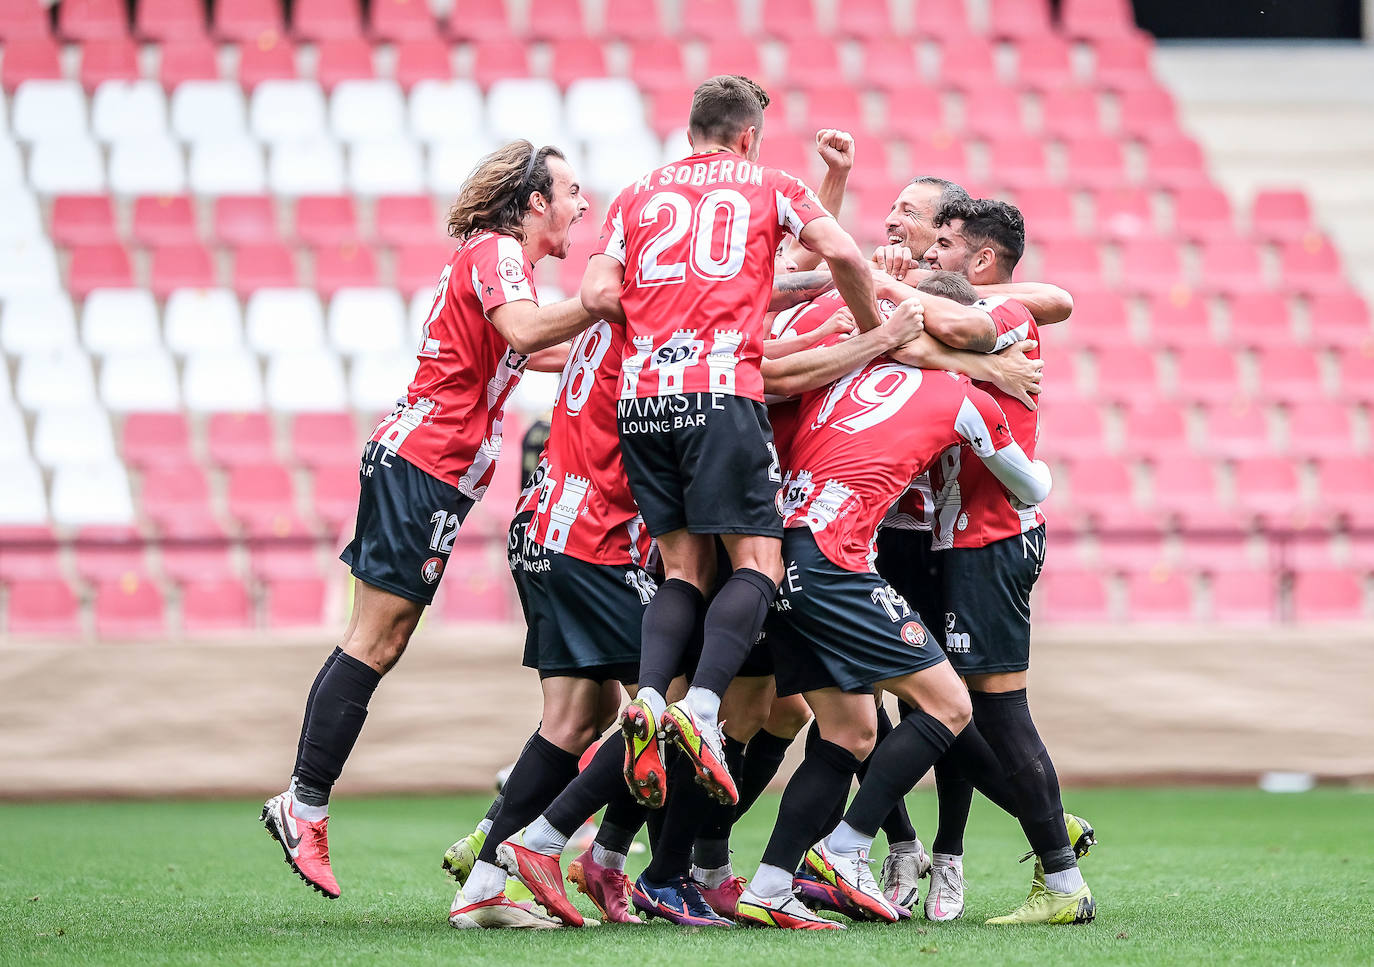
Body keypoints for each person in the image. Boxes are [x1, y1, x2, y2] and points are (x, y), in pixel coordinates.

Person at [260, 140, 594, 900]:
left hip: (431, 467)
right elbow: (526, 334)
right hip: (424, 462)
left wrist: (612, 338)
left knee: (382, 636)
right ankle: (304, 802)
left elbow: (534, 350)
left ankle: (304, 799)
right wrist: (614, 300)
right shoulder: (500, 252)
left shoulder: (496, 260)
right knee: (374, 637)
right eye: (573, 192)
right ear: (535, 202)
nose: (583, 206)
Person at [581, 75, 884, 814]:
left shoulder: (635, 195)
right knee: (758, 559)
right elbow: (842, 253)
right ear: (748, 135)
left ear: (692, 130)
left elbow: (593, 295)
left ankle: (650, 697)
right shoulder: (768, 183)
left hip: (642, 395)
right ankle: (703, 708)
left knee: (684, 565)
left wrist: (663, 307)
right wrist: (874, 330)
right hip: (719, 392)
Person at [731, 297, 1055, 929]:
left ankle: (768, 885)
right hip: (833, 559)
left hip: (774, 553)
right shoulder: (967, 397)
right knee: (951, 705)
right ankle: (845, 849)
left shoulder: (843, 375)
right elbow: (1031, 487)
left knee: (849, 731)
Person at [835, 197, 1096, 926]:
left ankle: (1061, 876)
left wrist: (887, 289)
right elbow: (922, 343)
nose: (929, 254)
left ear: (981, 259)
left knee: (998, 713)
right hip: (963, 538)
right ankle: (1050, 842)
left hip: (991, 538)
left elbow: (953, 330)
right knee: (958, 707)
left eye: (943, 242)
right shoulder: (986, 304)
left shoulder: (1005, 315)